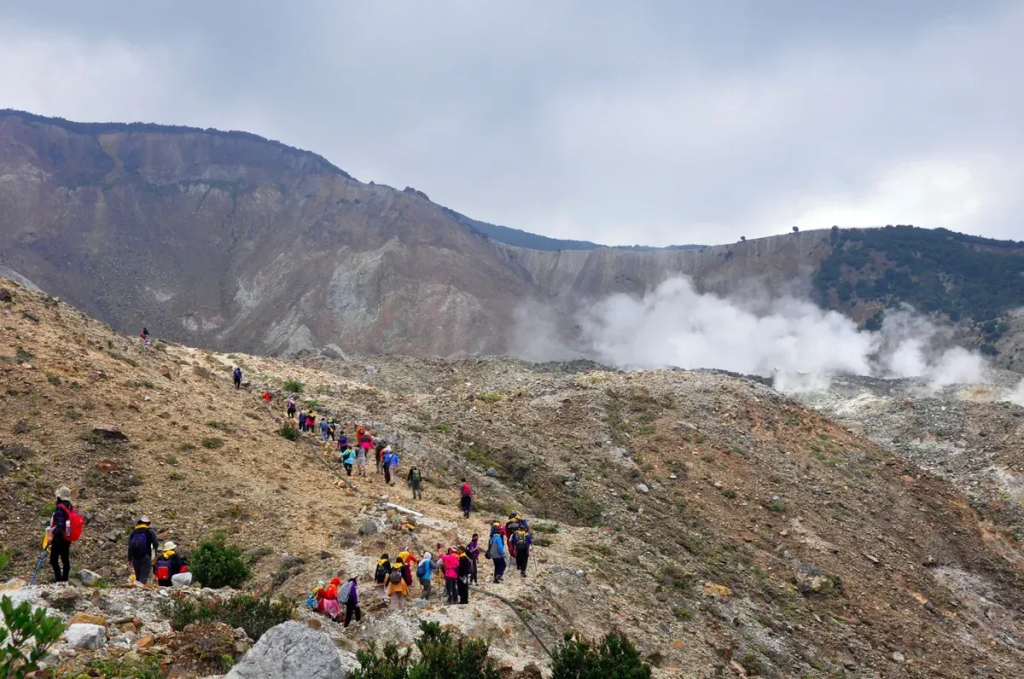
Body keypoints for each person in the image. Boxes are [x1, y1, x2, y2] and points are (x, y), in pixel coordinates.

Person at [47, 487, 75, 583]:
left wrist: (51, 535)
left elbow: (60, 524)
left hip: (59, 537)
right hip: (67, 536)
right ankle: (65, 581)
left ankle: (59, 581)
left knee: (53, 560)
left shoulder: (60, 507)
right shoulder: (70, 506)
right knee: (65, 559)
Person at [127, 516, 159, 584]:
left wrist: (129, 559)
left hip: (135, 558)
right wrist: (154, 553)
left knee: (137, 577)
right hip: (146, 556)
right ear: (147, 523)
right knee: (144, 576)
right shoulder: (150, 531)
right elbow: (155, 543)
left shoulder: (134, 532)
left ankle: (137, 592)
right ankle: (141, 591)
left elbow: (130, 546)